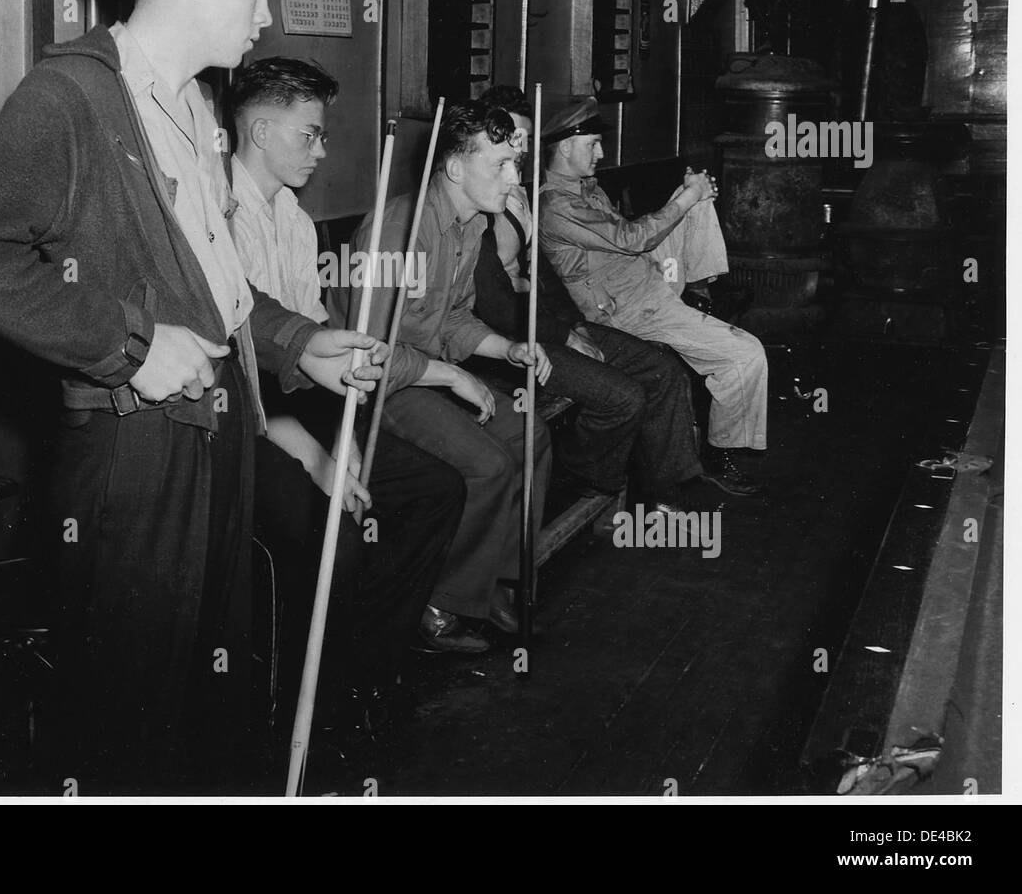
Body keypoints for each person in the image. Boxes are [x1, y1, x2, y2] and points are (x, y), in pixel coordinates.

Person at [0, 0, 386, 794]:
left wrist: (295, 341)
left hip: (216, 436)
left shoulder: (195, 103)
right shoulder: (73, 97)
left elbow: (216, 287)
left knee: (209, 687)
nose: (267, 16)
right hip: (135, 452)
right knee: (129, 710)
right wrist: (127, 342)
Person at [227, 55, 466, 720]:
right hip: (238, 428)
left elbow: (316, 360)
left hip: (300, 411)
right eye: (310, 135)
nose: (322, 149)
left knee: (434, 489)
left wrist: (350, 438)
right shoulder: (216, 220)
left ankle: (368, 666)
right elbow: (239, 378)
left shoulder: (297, 225)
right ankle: (316, 701)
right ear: (261, 132)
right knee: (341, 535)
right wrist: (317, 456)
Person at [330, 101, 553, 655]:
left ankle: (493, 581)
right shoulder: (398, 232)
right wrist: (453, 376)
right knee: (487, 464)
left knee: (533, 435)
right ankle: (439, 602)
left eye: (516, 164)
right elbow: (373, 354)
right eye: (500, 165)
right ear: (455, 169)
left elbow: (451, 318)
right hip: (375, 386)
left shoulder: (471, 221)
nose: (515, 178)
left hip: (424, 369)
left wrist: (509, 348)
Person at [473, 87, 749, 508]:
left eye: (525, 141)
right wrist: (564, 332)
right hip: (507, 339)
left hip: (547, 321)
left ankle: (668, 488)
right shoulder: (490, 207)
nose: (522, 153)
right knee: (625, 395)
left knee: (662, 371)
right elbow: (496, 304)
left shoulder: (518, 195)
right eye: (511, 143)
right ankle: (581, 481)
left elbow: (544, 276)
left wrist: (570, 326)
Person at [538, 97, 770, 491]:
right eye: (592, 144)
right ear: (564, 147)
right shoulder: (557, 204)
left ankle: (699, 290)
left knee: (696, 197)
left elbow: (629, 241)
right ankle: (718, 453)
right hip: (628, 309)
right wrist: (686, 197)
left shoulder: (583, 188)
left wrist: (691, 194)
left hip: (642, 277)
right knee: (747, 354)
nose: (602, 152)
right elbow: (632, 239)